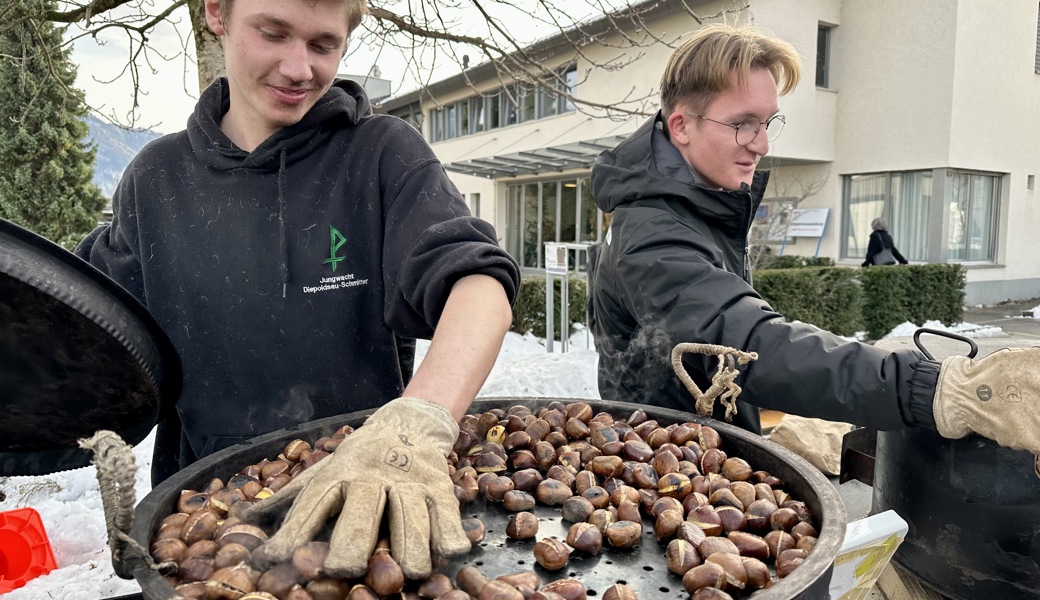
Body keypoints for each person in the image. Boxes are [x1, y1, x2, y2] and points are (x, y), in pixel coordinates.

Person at [75, 0, 519, 580]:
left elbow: (480, 284)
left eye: (322, 45)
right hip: (206, 525)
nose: (297, 68)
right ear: (217, 13)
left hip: (361, 518)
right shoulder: (156, 179)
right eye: (273, 33)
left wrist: (416, 422)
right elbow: (88, 336)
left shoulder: (383, 155)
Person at [588, 24, 1039, 470]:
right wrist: (936, 389)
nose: (761, 145)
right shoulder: (651, 231)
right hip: (661, 476)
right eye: (743, 124)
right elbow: (743, 345)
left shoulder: (694, 207)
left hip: (700, 454)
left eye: (767, 123)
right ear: (682, 125)